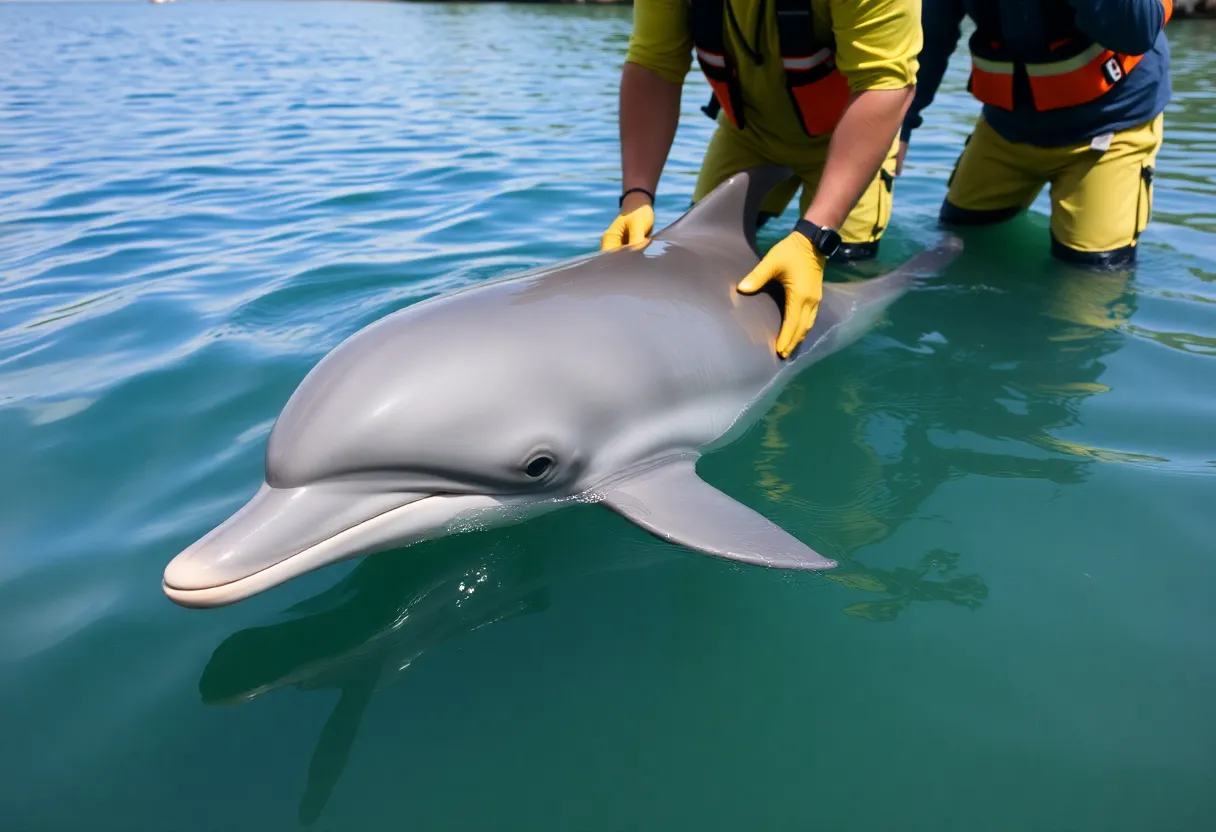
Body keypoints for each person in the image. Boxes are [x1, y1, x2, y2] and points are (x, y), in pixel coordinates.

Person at [600, 0, 923, 358]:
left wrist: (815, 236)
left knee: (846, 283)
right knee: (697, 251)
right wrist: (636, 196)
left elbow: (883, 82)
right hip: (748, 134)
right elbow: (653, 62)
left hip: (849, 141)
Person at [898, 0, 1172, 267]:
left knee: (1090, 283)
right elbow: (930, 36)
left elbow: (1136, 31)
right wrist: (901, 125)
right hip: (1005, 127)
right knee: (958, 238)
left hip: (1110, 127)